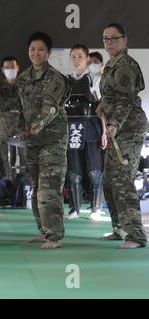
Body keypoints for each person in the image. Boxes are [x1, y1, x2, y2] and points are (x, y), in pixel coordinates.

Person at [97, 23, 148, 249]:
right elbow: (111, 96)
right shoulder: (111, 64)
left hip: (129, 128)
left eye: (114, 38)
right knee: (109, 180)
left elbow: (125, 101)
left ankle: (136, 235)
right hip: (116, 128)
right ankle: (119, 228)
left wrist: (115, 124)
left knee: (122, 180)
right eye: (106, 39)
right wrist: (102, 109)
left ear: (125, 40)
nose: (109, 42)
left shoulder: (126, 65)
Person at [17, 31, 69, 249]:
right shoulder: (23, 78)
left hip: (52, 140)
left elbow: (50, 109)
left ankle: (54, 235)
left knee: (49, 188)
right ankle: (43, 229)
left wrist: (31, 129)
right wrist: (20, 129)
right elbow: (21, 108)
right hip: (32, 141)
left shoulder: (55, 78)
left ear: (47, 53)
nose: (35, 53)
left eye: (40, 49)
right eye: (32, 49)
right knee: (37, 187)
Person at [65, 44, 107, 220]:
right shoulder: (66, 81)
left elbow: (103, 108)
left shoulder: (94, 80)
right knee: (74, 172)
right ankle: (74, 208)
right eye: (73, 56)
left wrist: (104, 132)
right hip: (72, 130)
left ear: (87, 58)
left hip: (92, 129)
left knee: (94, 171)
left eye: (80, 56)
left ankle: (96, 209)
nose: (76, 60)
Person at [0, 56, 26, 181]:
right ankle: (7, 186)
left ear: (17, 67)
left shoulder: (25, 86)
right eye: (7, 67)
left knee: (23, 159)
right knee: (5, 159)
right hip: (4, 129)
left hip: (22, 128)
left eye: (12, 67)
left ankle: (23, 188)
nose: (10, 70)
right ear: (2, 69)